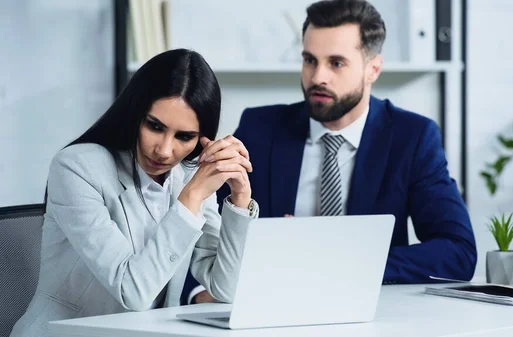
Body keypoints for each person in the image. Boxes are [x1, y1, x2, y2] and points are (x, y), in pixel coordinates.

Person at [184, 0, 476, 304]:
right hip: (268, 306)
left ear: (373, 69)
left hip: (368, 311)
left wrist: (337, 259)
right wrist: (199, 294)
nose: (318, 77)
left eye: (336, 63)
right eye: (310, 60)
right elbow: (200, 226)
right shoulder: (260, 129)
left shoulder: (412, 138)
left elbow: (457, 252)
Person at [10, 49, 258, 337]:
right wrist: (190, 198)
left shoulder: (190, 176)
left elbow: (226, 289)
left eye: (184, 137)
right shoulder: (76, 168)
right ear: (135, 112)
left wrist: (239, 201)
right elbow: (133, 291)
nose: (164, 150)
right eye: (155, 126)